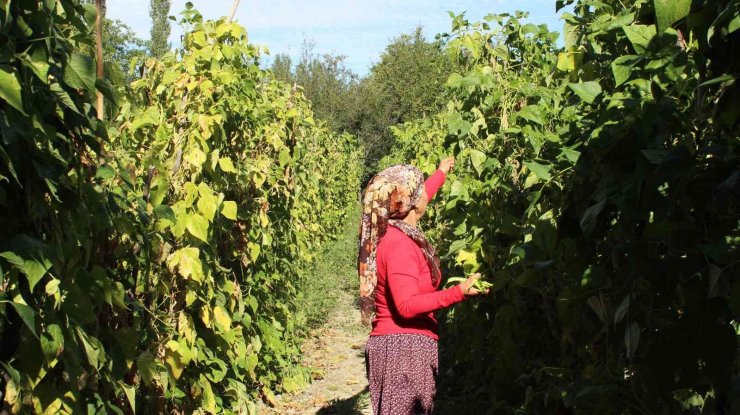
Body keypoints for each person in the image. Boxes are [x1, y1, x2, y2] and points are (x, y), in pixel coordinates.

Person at [358, 158, 487, 415]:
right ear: (411, 203)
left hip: (396, 346)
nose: (425, 194)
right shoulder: (401, 246)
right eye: (420, 191)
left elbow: (420, 191)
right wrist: (458, 293)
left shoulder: (392, 230)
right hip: (403, 350)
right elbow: (406, 306)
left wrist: (441, 172)